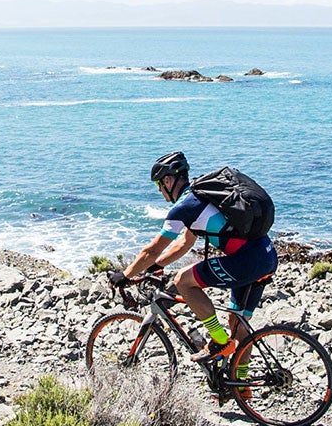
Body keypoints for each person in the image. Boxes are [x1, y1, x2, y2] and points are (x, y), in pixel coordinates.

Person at [110, 151, 279, 361]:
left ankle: (218, 340)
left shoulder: (184, 207)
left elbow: (152, 250)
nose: (160, 192)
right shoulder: (201, 197)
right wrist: (157, 266)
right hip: (267, 255)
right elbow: (184, 243)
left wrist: (125, 275)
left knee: (183, 280)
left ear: (168, 180)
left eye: (158, 185)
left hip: (246, 262)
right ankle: (241, 388)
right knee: (237, 324)